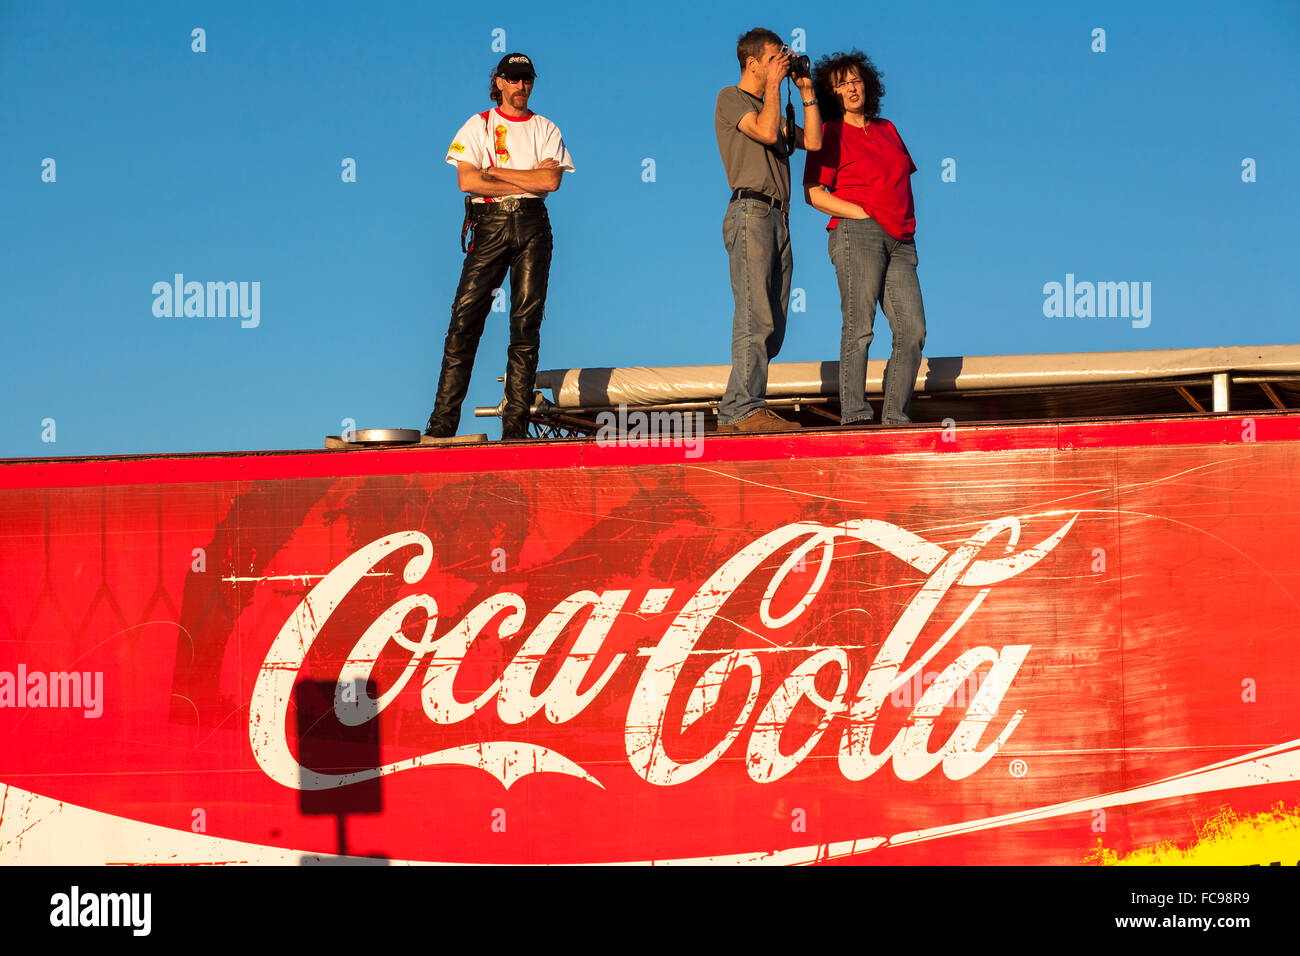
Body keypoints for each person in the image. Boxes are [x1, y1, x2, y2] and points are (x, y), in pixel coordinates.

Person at [424, 52, 575, 442]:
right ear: (499, 84)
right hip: (489, 223)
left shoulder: (545, 127)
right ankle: (442, 424)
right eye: (514, 79)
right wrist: (528, 181)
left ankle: (515, 426)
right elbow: (467, 181)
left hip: (532, 225)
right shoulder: (479, 125)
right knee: (464, 320)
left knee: (526, 324)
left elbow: (552, 182)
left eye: (527, 79)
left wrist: (496, 171)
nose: (521, 86)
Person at [803, 50, 925, 426]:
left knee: (913, 330)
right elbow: (813, 192)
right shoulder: (830, 132)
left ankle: (894, 416)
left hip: (901, 238)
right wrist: (861, 213)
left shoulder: (888, 129)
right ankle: (855, 415)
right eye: (841, 84)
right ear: (831, 93)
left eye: (855, 80)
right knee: (860, 326)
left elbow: (899, 180)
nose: (851, 87)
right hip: (858, 234)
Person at [714, 28, 822, 433]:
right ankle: (741, 408)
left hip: (780, 217)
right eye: (776, 57)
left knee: (773, 322)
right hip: (750, 211)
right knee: (755, 315)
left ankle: (740, 405)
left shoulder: (772, 105)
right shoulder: (731, 97)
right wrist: (776, 85)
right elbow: (762, 130)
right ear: (753, 63)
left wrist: (806, 90)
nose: (782, 63)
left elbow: (812, 140)